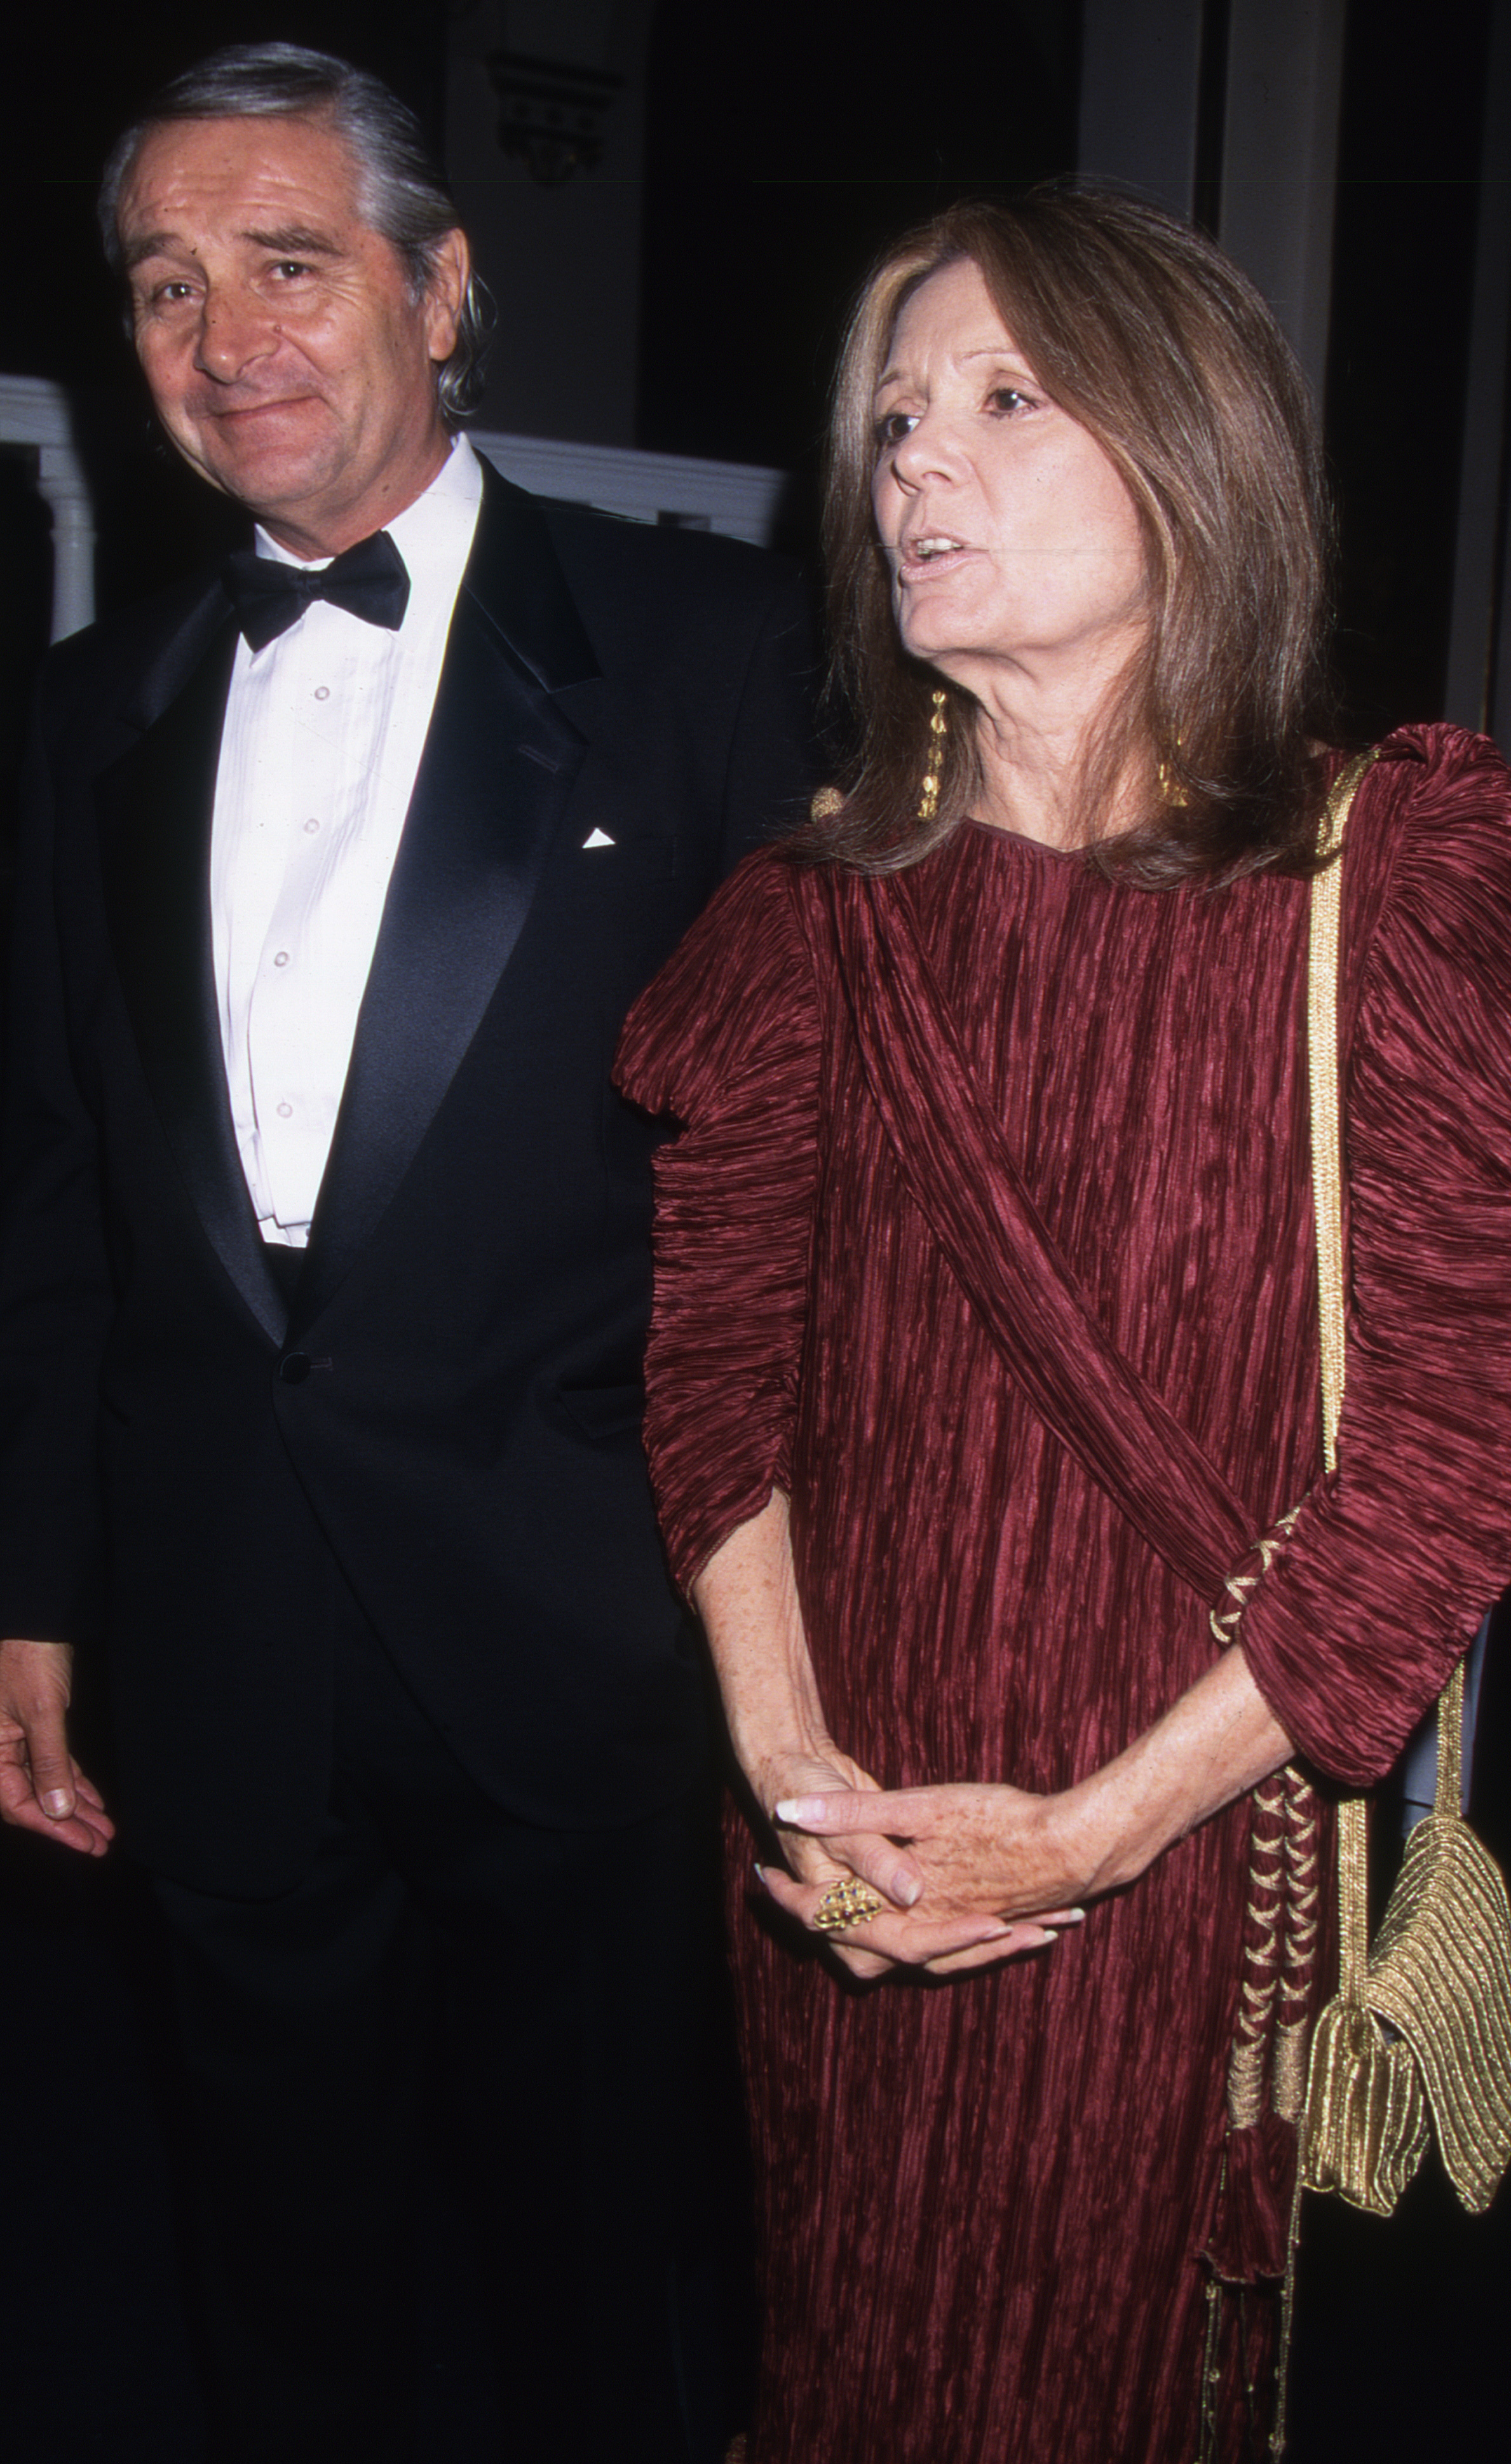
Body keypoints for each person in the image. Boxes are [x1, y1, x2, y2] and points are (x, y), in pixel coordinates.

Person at [614, 191, 1511, 2463]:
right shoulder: (806, 920)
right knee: (847, 2371)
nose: (917, 464)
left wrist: (1092, 1835)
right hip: (854, 1881)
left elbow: (1456, 1452)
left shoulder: (1383, 890)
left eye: (1007, 400)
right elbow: (718, 1393)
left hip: (1185, 1878)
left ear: (1196, 450)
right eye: (896, 419)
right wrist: (812, 1792)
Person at [0, 41, 814, 2464]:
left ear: (443, 289)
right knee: (271, 2263)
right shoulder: (81, 712)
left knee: (601, 2275)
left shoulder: (715, 654)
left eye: (288, 261)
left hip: (582, 1628)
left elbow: (828, 1179)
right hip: (215, 1619)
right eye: (165, 283)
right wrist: (31, 1587)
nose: (225, 332)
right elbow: (52, 1177)